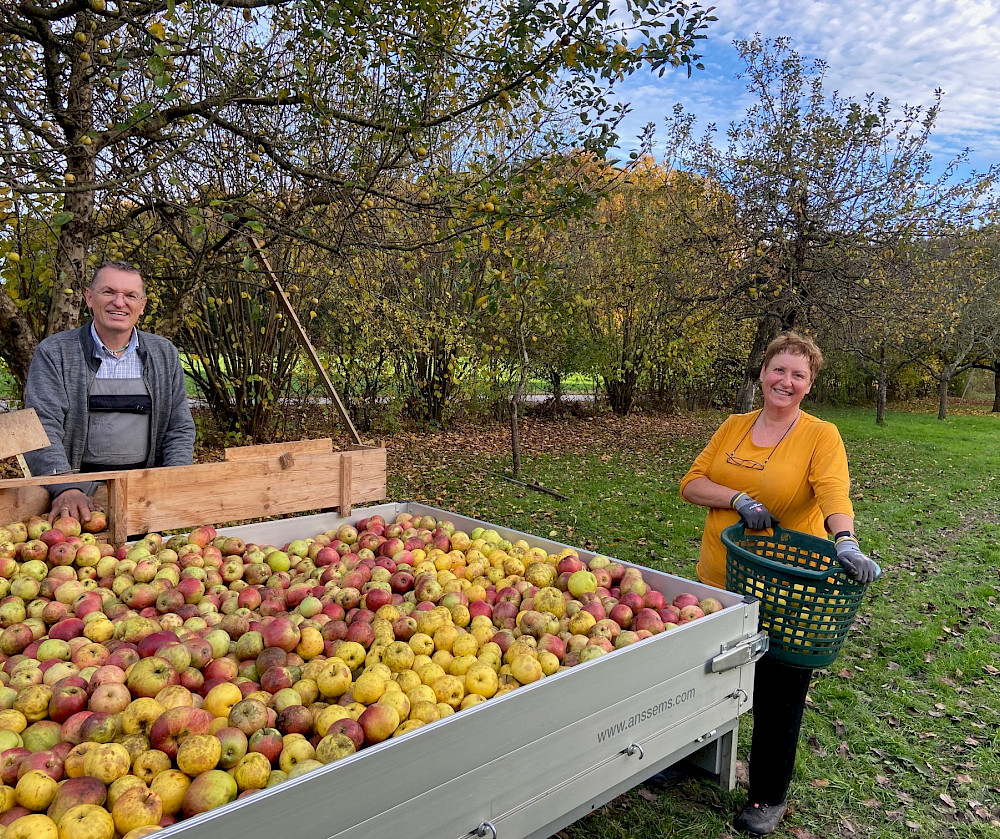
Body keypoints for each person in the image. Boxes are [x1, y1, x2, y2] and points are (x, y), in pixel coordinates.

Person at [679, 331, 878, 836]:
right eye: (778, 369)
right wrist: (738, 499)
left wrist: (847, 541)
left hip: (784, 585)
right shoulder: (734, 426)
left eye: (798, 374)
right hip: (721, 572)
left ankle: (768, 795)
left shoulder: (820, 435)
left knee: (779, 684)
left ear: (809, 384)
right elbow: (692, 483)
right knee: (707, 671)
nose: (785, 381)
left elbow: (833, 491)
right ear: (763, 372)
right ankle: (693, 758)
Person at [22, 260, 196, 523]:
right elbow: (41, 427)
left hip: (145, 496)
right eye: (109, 292)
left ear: (142, 305)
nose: (119, 302)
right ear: (89, 298)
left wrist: (172, 482)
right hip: (76, 503)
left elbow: (179, 427)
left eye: (130, 295)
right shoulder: (55, 353)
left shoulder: (164, 354)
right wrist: (65, 486)